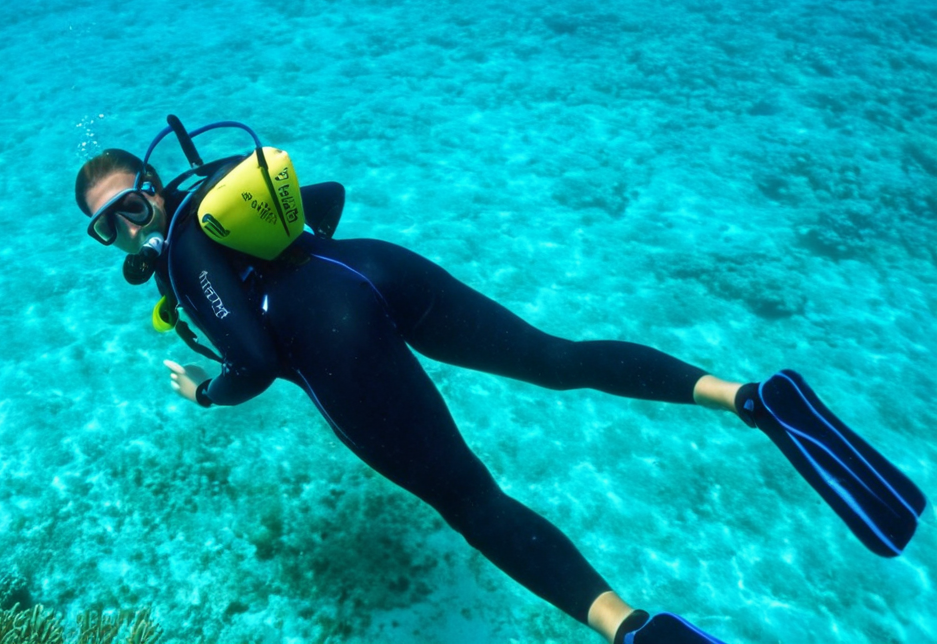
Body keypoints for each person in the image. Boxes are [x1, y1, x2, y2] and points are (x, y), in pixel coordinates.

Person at [74, 116, 927, 644]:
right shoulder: (222, 194)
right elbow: (326, 195)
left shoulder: (185, 256)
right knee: (555, 360)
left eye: (129, 205)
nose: (126, 227)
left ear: (153, 187)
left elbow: (255, 363)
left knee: (472, 502)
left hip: (333, 338)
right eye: (106, 227)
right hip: (374, 271)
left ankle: (633, 630)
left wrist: (208, 393)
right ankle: (753, 398)